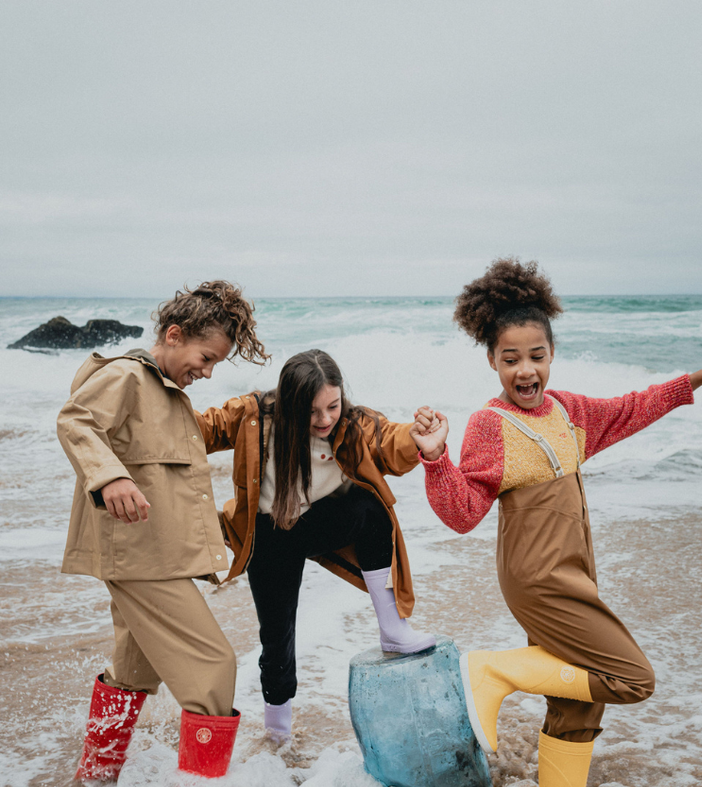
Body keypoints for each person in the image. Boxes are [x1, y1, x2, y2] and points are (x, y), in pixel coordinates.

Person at [410, 257, 702, 787]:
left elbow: (635, 406)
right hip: (538, 580)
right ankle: (491, 670)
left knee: (576, 706)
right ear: (493, 362)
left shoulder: (569, 413)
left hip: (573, 573)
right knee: (631, 677)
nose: (526, 370)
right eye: (511, 359)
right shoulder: (489, 424)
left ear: (552, 354)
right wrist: (436, 458)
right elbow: (461, 514)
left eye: (537, 356)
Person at [57, 280, 269, 783]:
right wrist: (110, 476)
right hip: (140, 557)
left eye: (216, 363)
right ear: (173, 335)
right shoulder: (129, 376)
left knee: (134, 671)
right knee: (213, 668)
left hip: (152, 553)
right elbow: (76, 421)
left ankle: (94, 777)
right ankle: (203, 781)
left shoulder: (169, 394)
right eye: (205, 356)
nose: (208, 370)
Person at [197, 349, 437, 742]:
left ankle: (393, 629)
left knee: (371, 506)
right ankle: (277, 737)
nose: (325, 420)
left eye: (333, 406)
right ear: (290, 403)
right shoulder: (256, 415)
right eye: (312, 412)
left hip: (320, 523)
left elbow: (389, 439)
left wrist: (416, 435)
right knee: (277, 640)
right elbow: (198, 430)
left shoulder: (351, 423)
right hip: (268, 534)